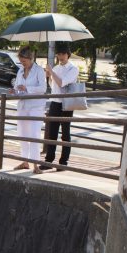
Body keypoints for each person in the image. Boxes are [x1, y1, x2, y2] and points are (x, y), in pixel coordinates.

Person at [8, 46, 47, 173]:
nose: (22, 64)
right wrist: (14, 91)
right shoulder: (20, 71)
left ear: (31, 59)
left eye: (24, 61)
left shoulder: (39, 70)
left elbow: (43, 88)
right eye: (21, 61)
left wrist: (27, 88)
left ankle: (36, 164)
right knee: (23, 134)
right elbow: (17, 86)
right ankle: (25, 161)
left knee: (34, 135)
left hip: (36, 106)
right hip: (23, 105)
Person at [41, 43, 80, 171]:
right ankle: (48, 160)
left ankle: (63, 161)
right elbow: (53, 85)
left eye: (63, 54)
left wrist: (51, 71)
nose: (61, 56)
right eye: (59, 54)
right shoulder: (56, 68)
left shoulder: (73, 69)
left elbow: (62, 83)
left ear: (68, 55)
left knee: (65, 133)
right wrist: (48, 75)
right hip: (55, 102)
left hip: (66, 103)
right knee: (52, 132)